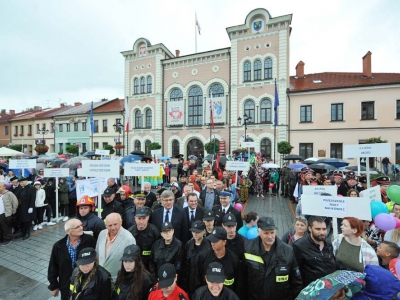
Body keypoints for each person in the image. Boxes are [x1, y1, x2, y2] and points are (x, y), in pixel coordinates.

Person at [243, 216, 303, 299]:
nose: (270, 236)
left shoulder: (288, 251)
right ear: (258, 232)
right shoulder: (247, 248)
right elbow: (242, 279)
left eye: (272, 232)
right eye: (266, 233)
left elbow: (296, 281)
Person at [48, 219, 96, 300]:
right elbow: (53, 267)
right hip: (66, 285)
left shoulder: (90, 240)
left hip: (86, 284)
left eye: (81, 225)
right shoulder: (58, 246)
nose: (81, 228)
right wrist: (53, 286)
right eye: (77, 227)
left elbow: (96, 261)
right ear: (68, 231)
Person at [292, 216, 337, 287]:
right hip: (311, 290)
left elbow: (333, 264)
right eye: (318, 229)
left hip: (329, 287)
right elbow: (295, 272)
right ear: (309, 228)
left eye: (324, 229)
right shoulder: (299, 246)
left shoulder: (328, 244)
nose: (322, 232)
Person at [197, 226, 242, 297]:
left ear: (224, 242)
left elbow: (238, 285)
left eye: (215, 241)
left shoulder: (234, 260)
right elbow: (198, 280)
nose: (212, 243)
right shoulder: (203, 257)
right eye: (211, 240)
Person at [96, 212, 136, 282]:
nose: (113, 228)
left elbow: (131, 263)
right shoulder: (102, 234)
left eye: (115, 224)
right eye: (110, 225)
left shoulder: (129, 238)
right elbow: (97, 254)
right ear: (105, 225)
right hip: (100, 280)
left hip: (118, 281)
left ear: (121, 222)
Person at [180, 220, 211, 295]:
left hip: (202, 285)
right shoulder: (188, 244)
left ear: (204, 231)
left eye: (198, 231)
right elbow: (185, 265)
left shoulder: (208, 247)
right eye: (193, 231)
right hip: (188, 285)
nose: (195, 234)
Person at [128, 206, 160, 271]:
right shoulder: (130, 232)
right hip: (135, 266)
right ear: (135, 218)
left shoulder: (154, 231)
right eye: (139, 218)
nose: (141, 221)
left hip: (150, 265)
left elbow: (158, 251)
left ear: (148, 218)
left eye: (144, 218)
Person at [0, 181, 18, 246]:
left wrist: (12, 212)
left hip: (6, 214)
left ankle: (8, 240)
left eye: (0, 186)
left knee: (6, 228)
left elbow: (15, 203)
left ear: (4, 187)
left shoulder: (9, 194)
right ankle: (1, 239)